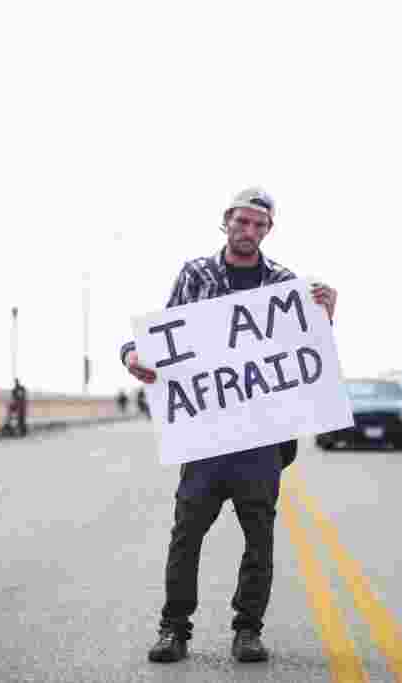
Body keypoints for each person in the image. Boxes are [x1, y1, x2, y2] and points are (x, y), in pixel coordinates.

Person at [119, 187, 337, 664]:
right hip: (204, 436)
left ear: (268, 230)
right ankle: (174, 628)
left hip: (260, 439)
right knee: (186, 534)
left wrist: (327, 317)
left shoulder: (283, 284)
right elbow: (161, 337)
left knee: (259, 537)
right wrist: (131, 354)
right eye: (242, 222)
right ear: (227, 222)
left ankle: (247, 630)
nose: (249, 231)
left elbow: (307, 358)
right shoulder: (195, 274)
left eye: (259, 225)